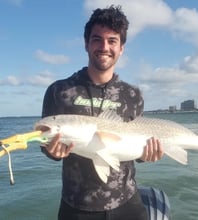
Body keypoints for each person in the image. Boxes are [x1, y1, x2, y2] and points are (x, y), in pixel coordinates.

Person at [41, 5, 164, 220]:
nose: (104, 47)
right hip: (76, 206)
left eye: (112, 41)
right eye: (97, 39)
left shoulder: (132, 94)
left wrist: (148, 155)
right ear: (86, 44)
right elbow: (46, 144)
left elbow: (135, 145)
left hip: (127, 202)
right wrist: (52, 152)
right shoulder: (59, 91)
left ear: (121, 48)